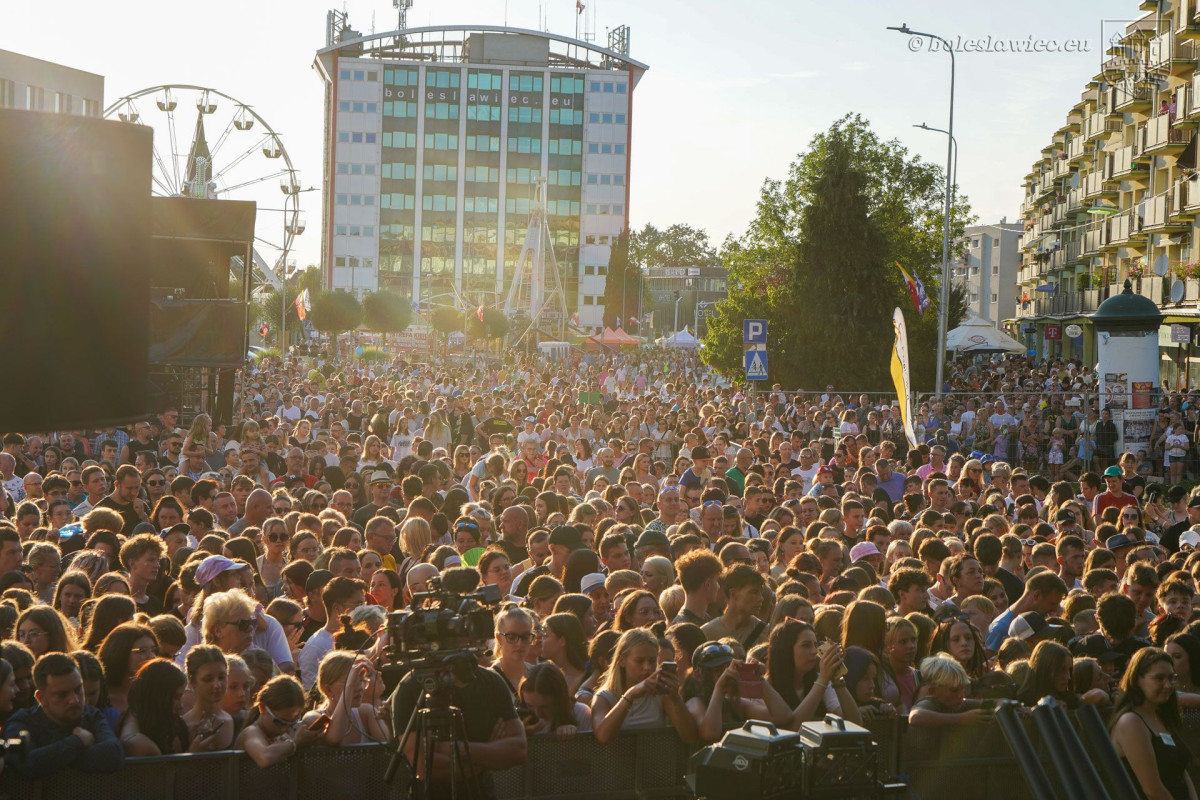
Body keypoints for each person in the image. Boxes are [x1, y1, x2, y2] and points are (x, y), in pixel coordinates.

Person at [2, 652, 124, 778]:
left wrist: (53, 759)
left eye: (78, 690)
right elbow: (26, 764)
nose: (74, 700)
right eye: (62, 694)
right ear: (41, 698)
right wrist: (78, 742)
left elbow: (114, 754)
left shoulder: (91, 715)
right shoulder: (21, 724)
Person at [1110, 647, 1197, 800]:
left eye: (1171, 678)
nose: (1168, 685)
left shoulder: (1161, 716)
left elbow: (1181, 772)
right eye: (1159, 678)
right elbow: (1153, 790)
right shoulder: (1131, 722)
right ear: (1137, 679)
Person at [591, 628, 698, 744]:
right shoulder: (604, 697)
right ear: (622, 660)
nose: (647, 667)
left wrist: (676, 697)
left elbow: (690, 737)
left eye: (652, 661)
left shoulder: (661, 695)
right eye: (639, 661)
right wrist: (630, 695)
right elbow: (603, 736)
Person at [236, 674, 322, 767]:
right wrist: (296, 742)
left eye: (292, 724)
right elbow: (265, 758)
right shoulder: (251, 732)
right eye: (280, 723)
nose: (285, 729)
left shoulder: (283, 737)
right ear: (262, 708)